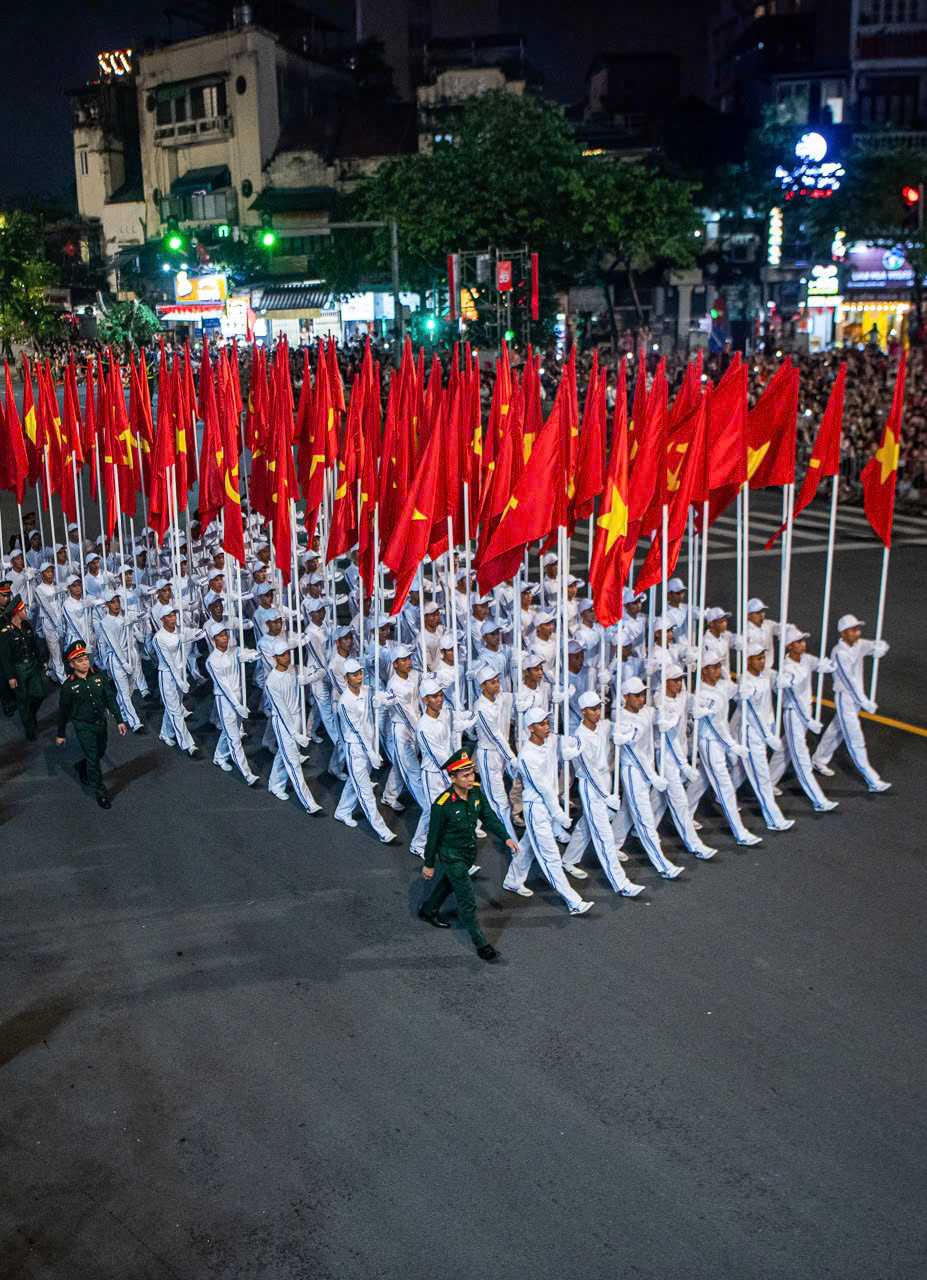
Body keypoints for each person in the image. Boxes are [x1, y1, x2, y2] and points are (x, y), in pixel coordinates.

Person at [420, 748, 520, 963]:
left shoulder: (475, 792)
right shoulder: (442, 805)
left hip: (468, 851)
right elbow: (433, 837)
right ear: (452, 778)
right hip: (451, 855)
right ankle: (482, 945)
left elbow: (489, 816)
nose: (470, 778)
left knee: (449, 882)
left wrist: (506, 837)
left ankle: (428, 910)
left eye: (471, 773)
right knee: (467, 900)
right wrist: (429, 864)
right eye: (464, 775)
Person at [502, 708, 593, 914]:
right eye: (542, 724)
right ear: (530, 728)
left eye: (547, 722)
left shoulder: (551, 740)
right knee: (550, 856)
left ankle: (512, 880)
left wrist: (574, 749)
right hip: (536, 808)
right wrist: (558, 814)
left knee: (528, 846)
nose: (547, 727)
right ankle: (574, 902)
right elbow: (543, 789)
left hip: (546, 806)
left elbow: (576, 740)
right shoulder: (526, 757)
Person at [562, 691, 645, 895]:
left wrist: (626, 734)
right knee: (604, 836)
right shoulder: (580, 736)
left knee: (586, 824)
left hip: (605, 780)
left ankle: (568, 859)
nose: (597, 712)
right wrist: (606, 797)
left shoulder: (604, 726)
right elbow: (588, 772)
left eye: (599, 708)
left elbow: (629, 729)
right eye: (592, 709)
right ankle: (621, 883)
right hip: (591, 787)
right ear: (583, 711)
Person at [610, 677, 685, 878]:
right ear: (625, 697)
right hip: (634, 772)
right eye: (636, 696)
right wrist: (653, 777)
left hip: (645, 772)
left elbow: (665, 714)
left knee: (627, 811)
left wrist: (670, 719)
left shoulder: (645, 711)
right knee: (645, 820)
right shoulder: (624, 720)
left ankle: (612, 845)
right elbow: (637, 754)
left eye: (643, 694)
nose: (641, 699)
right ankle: (663, 866)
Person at [687, 649, 761, 846]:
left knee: (702, 780)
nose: (718, 670)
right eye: (713, 667)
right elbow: (715, 726)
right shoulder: (702, 695)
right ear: (704, 670)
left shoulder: (721, 685)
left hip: (720, 741)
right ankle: (740, 832)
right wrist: (733, 746)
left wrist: (746, 688)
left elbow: (736, 691)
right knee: (725, 786)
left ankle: (683, 814)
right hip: (710, 743)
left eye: (719, 666)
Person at [812, 614, 891, 792]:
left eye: (858, 629)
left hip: (855, 699)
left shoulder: (859, 644)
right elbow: (849, 682)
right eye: (854, 630)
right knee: (855, 738)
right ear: (843, 633)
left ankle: (818, 759)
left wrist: (881, 648)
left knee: (836, 730)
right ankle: (872, 780)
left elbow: (878, 645)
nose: (858, 633)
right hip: (846, 698)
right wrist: (864, 701)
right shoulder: (839, 653)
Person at [769, 624, 838, 812]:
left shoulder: (806, 659)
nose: (803, 644)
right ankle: (819, 800)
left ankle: (767, 783)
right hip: (794, 714)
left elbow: (822, 665)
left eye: (803, 641)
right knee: (801, 758)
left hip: (806, 712)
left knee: (785, 750)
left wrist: (829, 665)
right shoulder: (787, 669)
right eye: (798, 642)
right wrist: (808, 720)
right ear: (790, 646)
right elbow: (793, 698)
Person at [730, 644, 795, 832]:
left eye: (763, 658)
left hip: (765, 731)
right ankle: (774, 819)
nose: (762, 661)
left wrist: (784, 680)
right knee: (762, 777)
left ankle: (723, 793)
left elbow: (770, 701)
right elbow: (751, 713)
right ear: (748, 660)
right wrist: (767, 736)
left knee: (743, 769)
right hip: (752, 734)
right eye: (758, 658)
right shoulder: (745, 682)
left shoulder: (764, 676)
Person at [55, 639, 127, 808]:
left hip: (100, 723)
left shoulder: (99, 676)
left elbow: (110, 699)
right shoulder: (69, 686)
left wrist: (119, 720)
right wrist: (60, 733)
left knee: (100, 751)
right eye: (80, 661)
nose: (85, 663)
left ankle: (82, 766)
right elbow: (63, 711)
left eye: (86, 659)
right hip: (83, 726)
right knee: (94, 759)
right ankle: (101, 793)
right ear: (72, 664)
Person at [334, 658, 398, 842]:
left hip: (370, 745)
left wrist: (382, 700)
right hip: (356, 749)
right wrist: (371, 753)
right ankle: (383, 831)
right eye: (355, 674)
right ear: (346, 678)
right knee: (365, 792)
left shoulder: (368, 691)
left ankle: (342, 811)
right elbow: (357, 730)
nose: (359, 677)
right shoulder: (344, 702)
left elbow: (391, 697)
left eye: (360, 673)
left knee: (356, 781)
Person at [264, 639, 323, 813]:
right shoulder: (272, 682)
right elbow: (282, 712)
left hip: (298, 717)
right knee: (294, 763)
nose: (286, 657)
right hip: (283, 722)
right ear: (275, 658)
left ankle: (275, 784)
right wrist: (295, 734)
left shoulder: (296, 669)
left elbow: (321, 671)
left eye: (287, 653)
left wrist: (309, 678)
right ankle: (309, 803)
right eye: (282, 655)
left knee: (284, 754)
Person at [205, 621, 260, 786]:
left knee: (231, 731)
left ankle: (219, 756)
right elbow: (224, 687)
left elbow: (253, 654)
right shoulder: (212, 661)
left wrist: (251, 656)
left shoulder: (234, 650)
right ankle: (248, 775)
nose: (225, 638)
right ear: (213, 640)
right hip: (225, 700)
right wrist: (237, 706)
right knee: (234, 739)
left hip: (239, 694)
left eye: (225, 634)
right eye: (220, 636)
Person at [0, 594, 50, 739]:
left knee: (39, 694)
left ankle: (31, 714)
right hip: (18, 670)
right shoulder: (6, 633)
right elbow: (5, 658)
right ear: (17, 612)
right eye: (23, 610)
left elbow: (33, 645)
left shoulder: (27, 626)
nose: (26, 612)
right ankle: (29, 728)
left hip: (32, 666)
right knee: (23, 700)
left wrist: (41, 661)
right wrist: (10, 677)